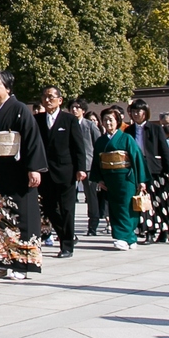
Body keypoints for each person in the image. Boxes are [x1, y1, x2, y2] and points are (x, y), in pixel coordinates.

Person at [0, 71, 47, 280]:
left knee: (19, 219)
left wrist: (34, 168)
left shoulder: (20, 109)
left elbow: (32, 139)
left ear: (8, 87)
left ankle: (21, 263)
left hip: (16, 172)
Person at [36, 86, 88, 258]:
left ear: (60, 100)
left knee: (67, 209)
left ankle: (66, 245)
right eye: (45, 97)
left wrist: (81, 168)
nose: (48, 99)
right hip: (45, 172)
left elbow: (78, 146)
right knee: (50, 209)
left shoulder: (69, 120)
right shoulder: (37, 119)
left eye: (51, 96)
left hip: (66, 171)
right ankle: (67, 235)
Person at [128, 101, 169, 244]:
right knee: (145, 203)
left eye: (139, 111)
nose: (136, 114)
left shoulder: (155, 128)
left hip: (156, 170)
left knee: (162, 202)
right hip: (138, 170)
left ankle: (166, 230)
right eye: (133, 111)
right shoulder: (129, 131)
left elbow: (164, 151)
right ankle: (149, 232)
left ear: (145, 112)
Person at [92, 106, 142, 250]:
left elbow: (137, 159)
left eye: (111, 120)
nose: (108, 123)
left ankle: (125, 237)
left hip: (126, 177)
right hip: (109, 178)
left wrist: (141, 180)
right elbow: (97, 161)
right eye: (105, 120)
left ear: (118, 121)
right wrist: (99, 179)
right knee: (114, 208)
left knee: (126, 206)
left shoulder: (127, 138)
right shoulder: (101, 141)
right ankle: (128, 238)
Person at [70, 98, 102, 235]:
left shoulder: (89, 125)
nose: (74, 109)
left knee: (91, 197)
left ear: (83, 110)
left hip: (89, 165)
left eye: (77, 107)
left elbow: (98, 145)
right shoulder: (68, 123)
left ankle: (93, 225)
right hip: (71, 165)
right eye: (72, 107)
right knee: (70, 197)